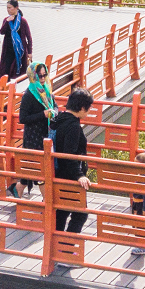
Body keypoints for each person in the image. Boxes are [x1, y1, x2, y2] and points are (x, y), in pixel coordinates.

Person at [9, 58, 58, 198]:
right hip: (33, 137)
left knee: (32, 168)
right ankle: (47, 201)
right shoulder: (29, 95)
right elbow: (23, 118)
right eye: (39, 76)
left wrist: (54, 111)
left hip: (46, 134)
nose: (42, 79)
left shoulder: (46, 90)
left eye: (44, 75)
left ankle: (17, 188)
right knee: (39, 170)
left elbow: (54, 105)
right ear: (33, 76)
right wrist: (43, 114)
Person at [51, 87, 94, 235]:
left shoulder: (58, 119)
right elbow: (69, 155)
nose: (88, 112)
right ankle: (67, 247)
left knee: (62, 211)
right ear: (82, 108)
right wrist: (79, 175)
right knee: (80, 214)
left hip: (57, 173)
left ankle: (56, 246)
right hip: (69, 177)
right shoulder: (73, 126)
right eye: (88, 109)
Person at [0, 0, 33, 81]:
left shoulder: (22, 21)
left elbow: (29, 37)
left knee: (18, 71)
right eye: (7, 8)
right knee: (6, 71)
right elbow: (2, 32)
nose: (8, 10)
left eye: (10, 8)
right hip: (8, 50)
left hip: (20, 50)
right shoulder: (6, 19)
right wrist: (7, 22)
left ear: (16, 7)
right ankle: (6, 89)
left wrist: (30, 52)